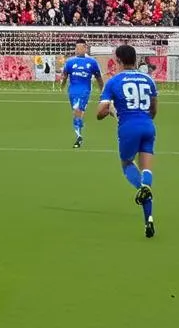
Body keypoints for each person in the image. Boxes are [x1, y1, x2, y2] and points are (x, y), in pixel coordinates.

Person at [97, 44, 157, 238]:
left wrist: (113, 111)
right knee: (146, 165)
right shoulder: (148, 79)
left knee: (127, 164)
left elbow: (100, 112)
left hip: (128, 127)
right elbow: (154, 110)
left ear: (118, 60)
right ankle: (148, 217)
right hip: (148, 126)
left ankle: (142, 189)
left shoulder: (113, 82)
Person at [60, 39, 104, 148]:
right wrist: (62, 86)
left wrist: (103, 90)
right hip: (72, 91)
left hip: (85, 90)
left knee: (77, 111)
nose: (78, 49)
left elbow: (99, 78)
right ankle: (79, 126)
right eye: (77, 47)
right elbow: (65, 76)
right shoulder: (70, 62)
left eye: (80, 47)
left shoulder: (92, 62)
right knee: (76, 112)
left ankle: (79, 136)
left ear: (85, 48)